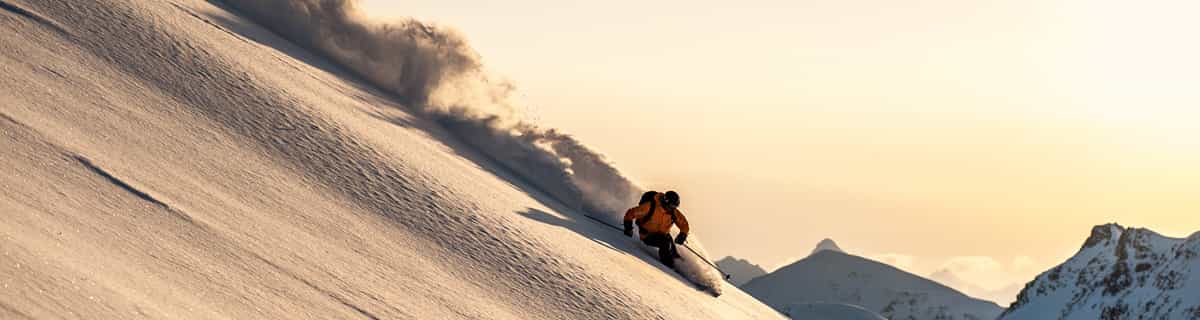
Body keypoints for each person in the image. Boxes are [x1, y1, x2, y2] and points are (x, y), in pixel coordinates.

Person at [624, 191, 690, 268]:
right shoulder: (650, 206)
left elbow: (684, 224)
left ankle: (682, 266)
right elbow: (631, 213)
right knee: (664, 243)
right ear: (665, 202)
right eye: (671, 206)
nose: (672, 208)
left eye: (675, 206)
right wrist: (628, 228)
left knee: (673, 251)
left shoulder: (673, 212)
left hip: (664, 235)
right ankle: (668, 265)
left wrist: (683, 234)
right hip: (648, 235)